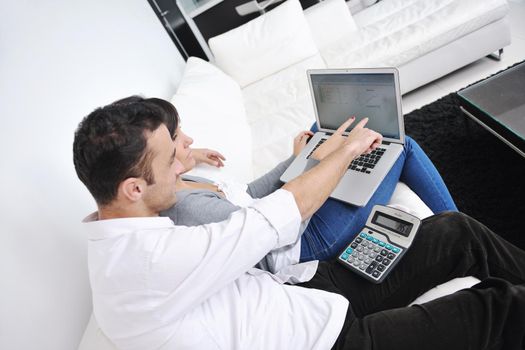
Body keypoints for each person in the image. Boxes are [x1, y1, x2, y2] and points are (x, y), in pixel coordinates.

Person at [74, 96, 525, 350]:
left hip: (308, 293)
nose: (182, 164)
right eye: (173, 159)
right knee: (495, 306)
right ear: (133, 188)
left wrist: (307, 155)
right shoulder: (147, 264)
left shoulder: (131, 234)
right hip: (331, 341)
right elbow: (275, 216)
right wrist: (345, 152)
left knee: (454, 232)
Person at [153, 100, 456, 262]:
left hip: (295, 216)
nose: (190, 139)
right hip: (307, 242)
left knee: (319, 128)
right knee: (403, 146)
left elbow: (249, 193)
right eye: (179, 138)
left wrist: (297, 158)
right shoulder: (189, 208)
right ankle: (460, 224)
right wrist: (311, 162)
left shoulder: (183, 179)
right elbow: (277, 225)